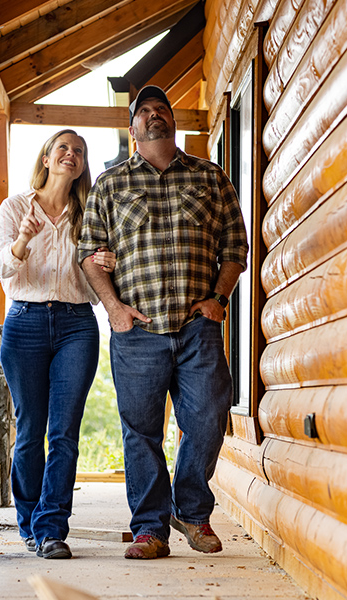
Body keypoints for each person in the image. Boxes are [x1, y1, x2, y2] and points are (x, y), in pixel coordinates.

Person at [78, 86, 249, 559]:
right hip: (137, 331)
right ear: (132, 130)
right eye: (144, 112)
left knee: (210, 421)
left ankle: (192, 511)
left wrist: (219, 297)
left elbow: (236, 245)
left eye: (162, 110)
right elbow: (88, 254)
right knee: (142, 433)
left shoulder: (210, 177)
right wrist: (114, 310)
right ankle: (150, 529)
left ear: (173, 122)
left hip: (198, 328)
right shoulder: (111, 184)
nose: (155, 116)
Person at [0, 129, 115, 560]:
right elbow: (1, 266)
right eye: (63, 147)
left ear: (82, 165)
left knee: (64, 433)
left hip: (77, 325)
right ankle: (29, 521)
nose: (71, 154)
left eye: (79, 151)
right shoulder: (15, 208)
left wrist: (106, 267)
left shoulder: (90, 214)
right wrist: (24, 238)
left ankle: (51, 528)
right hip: (24, 323)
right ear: (46, 158)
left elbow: (98, 288)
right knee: (29, 432)